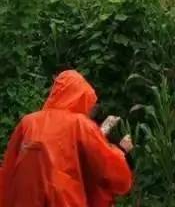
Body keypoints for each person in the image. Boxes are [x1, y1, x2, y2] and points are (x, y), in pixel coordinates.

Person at [0, 70, 133, 206]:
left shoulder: (28, 122)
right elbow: (107, 168)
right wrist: (121, 150)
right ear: (82, 98)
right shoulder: (80, 124)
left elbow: (8, 170)